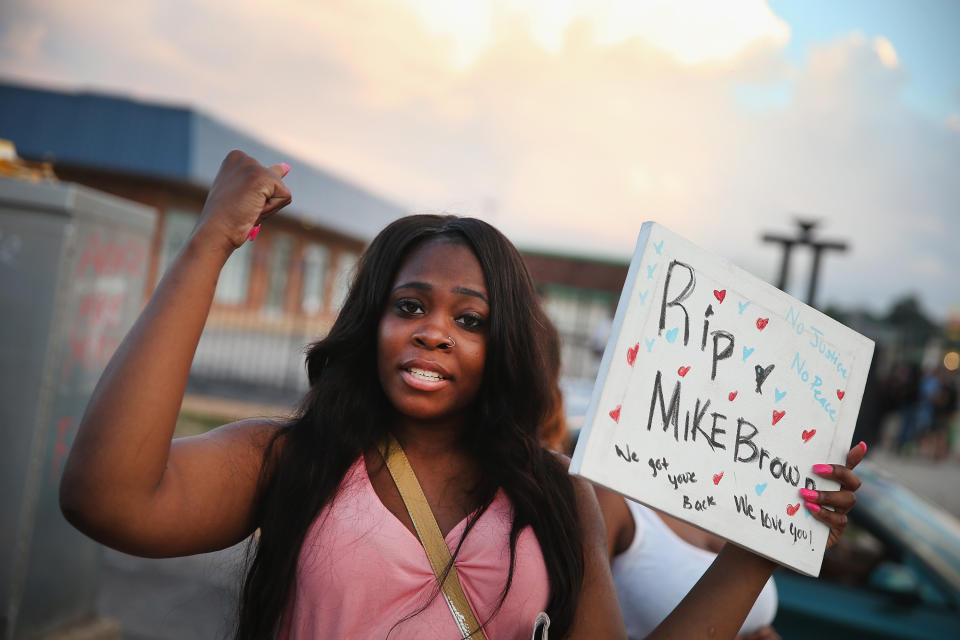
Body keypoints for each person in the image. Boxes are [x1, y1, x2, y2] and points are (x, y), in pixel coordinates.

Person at [59, 151, 863, 639]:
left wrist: (767, 543)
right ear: (371, 324)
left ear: (504, 343)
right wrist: (211, 242)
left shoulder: (557, 498)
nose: (434, 331)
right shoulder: (289, 460)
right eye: (409, 307)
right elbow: (105, 498)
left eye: (468, 319)